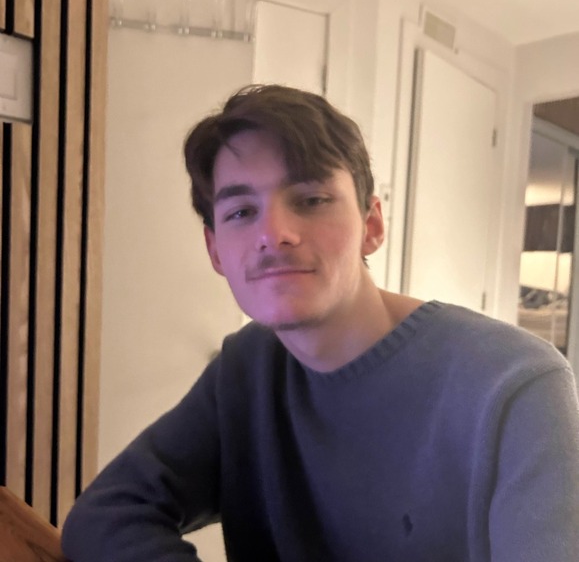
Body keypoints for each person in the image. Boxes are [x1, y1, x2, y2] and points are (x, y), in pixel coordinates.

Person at [61, 84, 579, 561]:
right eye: (241, 212)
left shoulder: (516, 386)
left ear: (371, 224)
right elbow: (106, 515)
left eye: (311, 200)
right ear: (215, 250)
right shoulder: (245, 371)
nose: (275, 233)